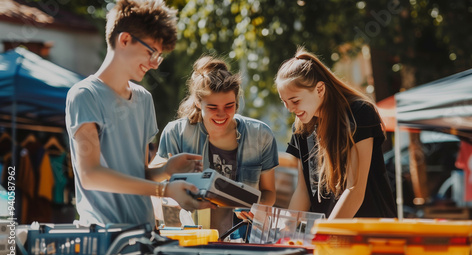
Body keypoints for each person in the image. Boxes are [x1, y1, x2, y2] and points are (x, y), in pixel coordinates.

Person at [65, 0, 214, 227]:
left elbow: (140, 174)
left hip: (144, 233)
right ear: (124, 39)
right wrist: (164, 189)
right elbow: (90, 175)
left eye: (159, 56)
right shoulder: (84, 95)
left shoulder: (144, 99)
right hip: (104, 237)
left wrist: (166, 170)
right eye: (151, 52)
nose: (154, 64)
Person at [151, 55, 279, 235]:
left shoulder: (260, 135)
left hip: (244, 236)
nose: (222, 114)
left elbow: (269, 192)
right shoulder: (176, 133)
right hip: (191, 236)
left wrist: (256, 207)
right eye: (212, 107)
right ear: (198, 102)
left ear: (237, 101)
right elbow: (152, 182)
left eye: (229, 106)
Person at [275, 47, 397, 219]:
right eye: (285, 102)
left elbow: (354, 190)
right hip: (329, 236)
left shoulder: (360, 113)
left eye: (295, 100)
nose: (289, 109)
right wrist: (284, 232)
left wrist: (325, 233)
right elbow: (303, 192)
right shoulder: (301, 127)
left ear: (320, 89)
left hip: (368, 232)